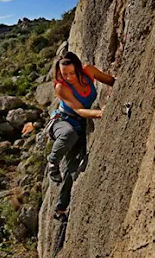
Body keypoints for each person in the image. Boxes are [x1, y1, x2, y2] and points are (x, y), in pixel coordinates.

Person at [45, 51, 115, 219]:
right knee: (68, 134)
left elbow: (111, 81)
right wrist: (99, 113)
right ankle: (52, 162)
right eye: (64, 74)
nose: (68, 77)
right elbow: (77, 109)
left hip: (80, 125)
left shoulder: (88, 71)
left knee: (72, 168)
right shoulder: (61, 87)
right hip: (63, 121)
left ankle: (60, 208)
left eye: (71, 73)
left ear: (78, 68)